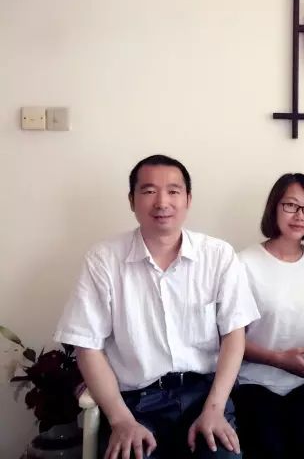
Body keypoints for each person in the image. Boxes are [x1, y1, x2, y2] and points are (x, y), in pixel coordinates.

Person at [54, 154, 259, 459]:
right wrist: (121, 420)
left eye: (173, 191)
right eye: (149, 191)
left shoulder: (218, 255)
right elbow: (87, 345)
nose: (162, 202)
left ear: (188, 199)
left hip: (203, 396)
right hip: (135, 403)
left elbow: (234, 334)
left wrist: (215, 409)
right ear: (132, 200)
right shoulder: (104, 259)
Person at [232, 173, 304, 459]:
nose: (299, 215)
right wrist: (277, 359)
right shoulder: (244, 263)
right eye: (290, 205)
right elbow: (229, 339)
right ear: (274, 208)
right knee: (269, 448)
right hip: (254, 382)